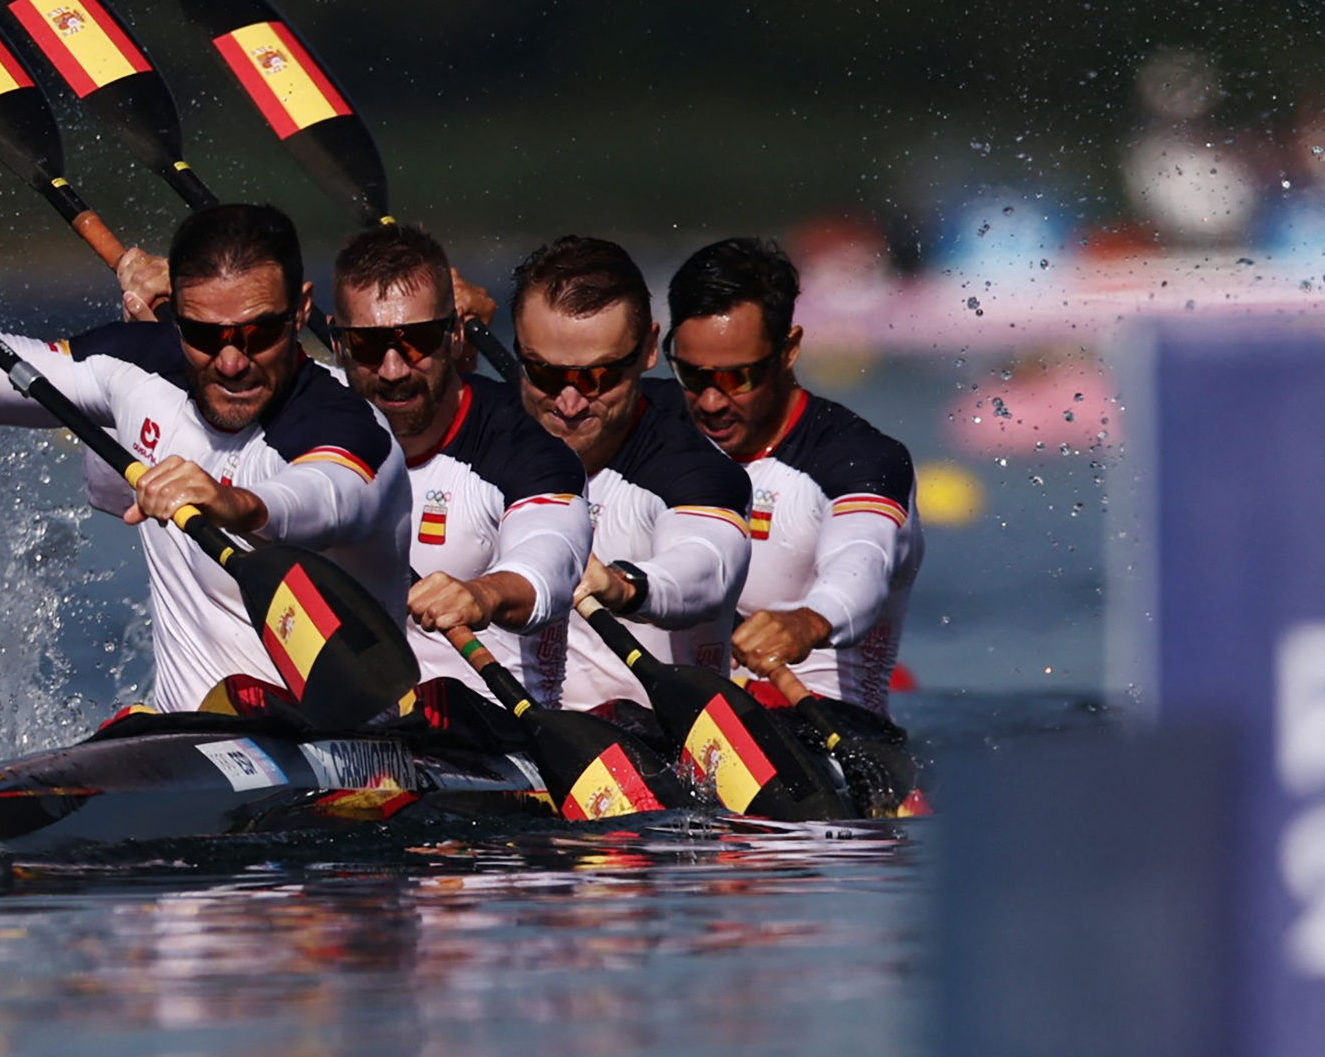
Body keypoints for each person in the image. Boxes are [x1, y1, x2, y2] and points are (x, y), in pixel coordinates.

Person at [0, 203, 409, 714]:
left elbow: (331, 497)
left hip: (348, 747)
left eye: (259, 333)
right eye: (203, 334)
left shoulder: (349, 426)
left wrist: (236, 503)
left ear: (302, 312)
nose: (230, 361)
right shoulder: (136, 365)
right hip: (188, 738)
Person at [328, 221, 590, 704]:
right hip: (346, 733)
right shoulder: (304, 415)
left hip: (491, 743)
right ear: (337, 341)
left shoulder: (525, 450)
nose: (392, 370)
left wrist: (483, 595)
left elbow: (548, 562)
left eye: (417, 340)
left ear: (453, 335)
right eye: (367, 345)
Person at [667, 237, 922, 716]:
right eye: (692, 376)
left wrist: (809, 621)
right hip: (671, 729)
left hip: (819, 734)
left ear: (788, 350)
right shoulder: (649, 428)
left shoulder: (861, 460)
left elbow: (860, 563)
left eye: (736, 378)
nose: (711, 402)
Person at [509, 235, 752, 714]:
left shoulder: (692, 468)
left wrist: (624, 586)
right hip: (496, 736)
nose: (569, 404)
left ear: (647, 350)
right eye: (545, 374)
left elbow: (707, 564)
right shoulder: (486, 436)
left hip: (649, 747)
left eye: (596, 377)